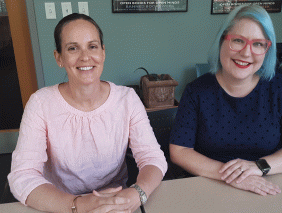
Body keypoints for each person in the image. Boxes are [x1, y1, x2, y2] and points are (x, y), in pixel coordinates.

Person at [8, 13, 167, 213]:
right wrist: (77, 205)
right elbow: (22, 176)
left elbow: (153, 157)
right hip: (61, 204)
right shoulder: (40, 103)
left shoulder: (127, 99)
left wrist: (138, 192)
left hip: (118, 203)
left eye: (92, 46)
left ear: (103, 52)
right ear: (59, 58)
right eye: (73, 48)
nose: (85, 57)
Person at [169, 4, 282, 196]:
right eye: (238, 40)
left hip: (269, 185)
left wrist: (258, 167)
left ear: (267, 49)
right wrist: (235, 176)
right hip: (209, 187)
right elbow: (179, 151)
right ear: (222, 41)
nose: (246, 53)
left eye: (258, 44)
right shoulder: (197, 91)